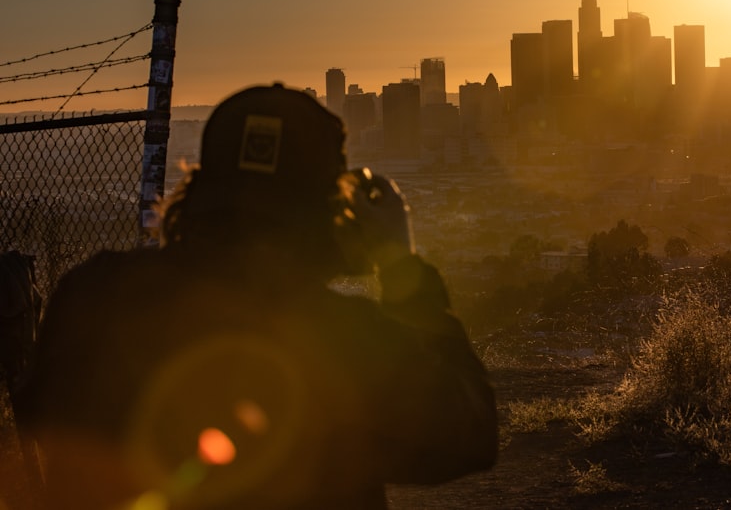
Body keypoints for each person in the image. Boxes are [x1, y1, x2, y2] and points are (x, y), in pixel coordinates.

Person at [20, 83, 498, 509]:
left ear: (202, 187)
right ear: (325, 212)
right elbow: (468, 435)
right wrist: (401, 267)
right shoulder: (342, 338)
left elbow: (41, 413)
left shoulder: (93, 294)